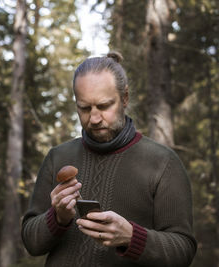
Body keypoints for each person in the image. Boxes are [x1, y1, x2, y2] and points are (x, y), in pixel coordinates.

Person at [21, 52, 197, 266]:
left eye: (104, 106)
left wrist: (132, 237)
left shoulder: (163, 163)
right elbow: (31, 243)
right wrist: (57, 217)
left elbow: (183, 250)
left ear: (124, 98)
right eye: (84, 108)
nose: (94, 119)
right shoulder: (58, 157)